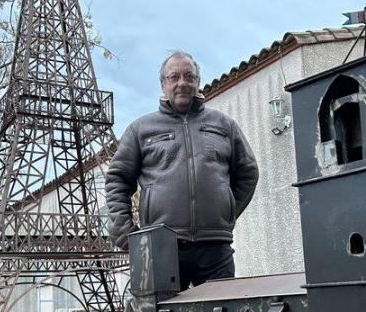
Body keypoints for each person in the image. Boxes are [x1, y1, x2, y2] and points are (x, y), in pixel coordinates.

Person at [105, 50, 258, 290]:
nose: (182, 83)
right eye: (174, 77)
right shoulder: (140, 130)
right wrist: (127, 235)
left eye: (189, 76)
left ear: (197, 82)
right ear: (163, 84)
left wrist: (225, 212)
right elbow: (117, 180)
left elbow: (248, 172)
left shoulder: (223, 125)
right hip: (160, 247)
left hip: (215, 249)